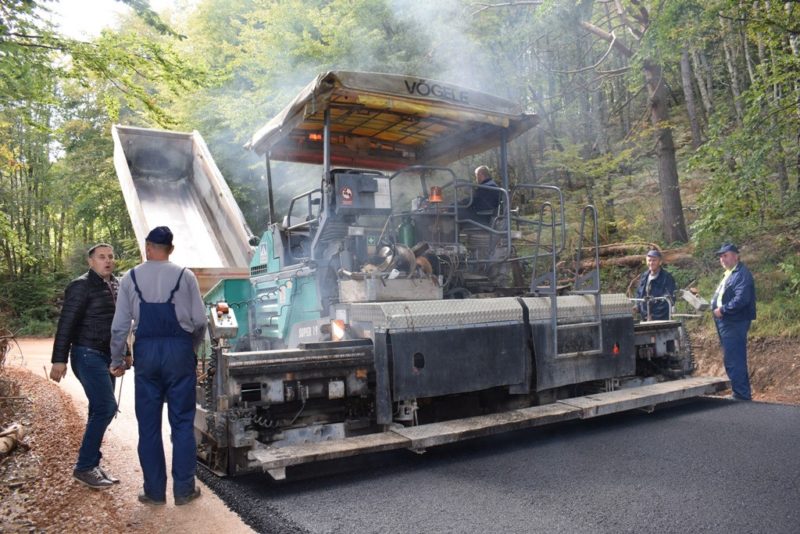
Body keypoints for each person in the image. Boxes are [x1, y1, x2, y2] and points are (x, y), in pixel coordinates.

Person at [110, 226, 207, 506]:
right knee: (183, 423)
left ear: (147, 247)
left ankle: (154, 492)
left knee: (149, 426)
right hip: (179, 352)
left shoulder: (130, 278)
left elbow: (119, 327)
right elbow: (200, 322)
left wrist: (117, 359)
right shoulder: (185, 276)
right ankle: (184, 490)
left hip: (147, 354)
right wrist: (190, 349)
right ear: (171, 249)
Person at [50, 243, 128, 490]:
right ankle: (84, 466)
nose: (108, 260)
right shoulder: (81, 286)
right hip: (86, 354)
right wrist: (59, 359)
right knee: (106, 407)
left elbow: (120, 325)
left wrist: (124, 354)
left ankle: (91, 464)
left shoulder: (116, 285)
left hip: (108, 356)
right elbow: (66, 323)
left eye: (111, 256)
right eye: (102, 257)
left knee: (98, 409)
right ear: (90, 261)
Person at [711, 243, 756, 401]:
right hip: (726, 321)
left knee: (735, 357)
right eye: (721, 256)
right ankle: (739, 392)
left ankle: (741, 394)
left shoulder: (741, 274)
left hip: (734, 321)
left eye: (726, 255)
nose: (722, 259)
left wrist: (723, 310)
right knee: (731, 356)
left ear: (736, 256)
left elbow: (742, 299)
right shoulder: (730, 273)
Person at [635, 249, 677, 321]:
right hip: (645, 317)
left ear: (660, 262)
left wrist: (653, 316)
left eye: (654, 260)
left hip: (661, 319)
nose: (651, 263)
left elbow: (668, 300)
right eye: (649, 260)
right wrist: (637, 306)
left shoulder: (667, 278)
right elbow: (639, 294)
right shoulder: (644, 276)